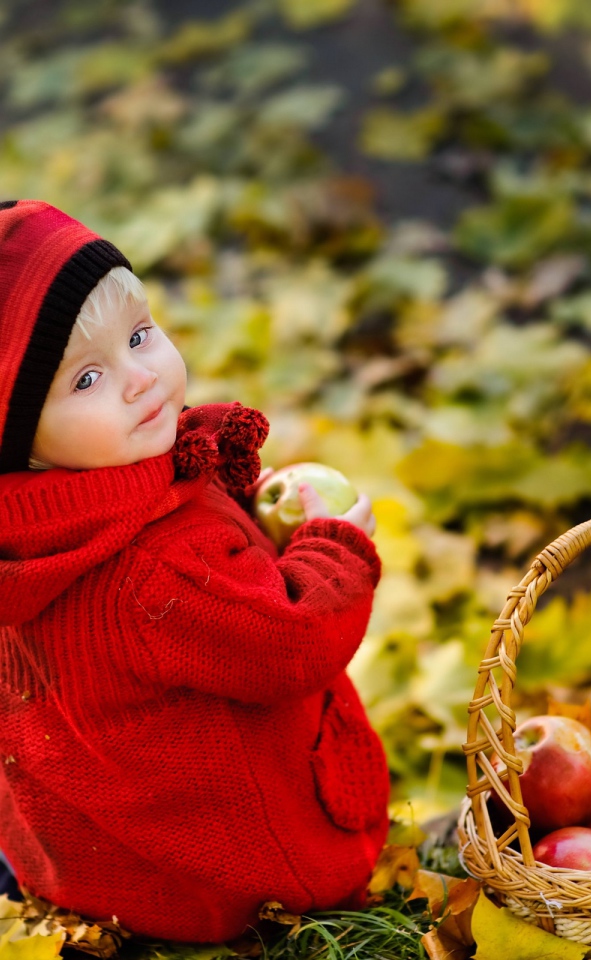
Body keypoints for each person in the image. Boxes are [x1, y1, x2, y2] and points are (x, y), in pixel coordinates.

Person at [0, 201, 390, 943]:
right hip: (227, 886)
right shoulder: (158, 566)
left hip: (96, 862)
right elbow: (293, 639)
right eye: (85, 379)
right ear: (17, 437)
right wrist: (331, 546)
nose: (140, 378)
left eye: (140, 335)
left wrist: (244, 508)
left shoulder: (39, 531)